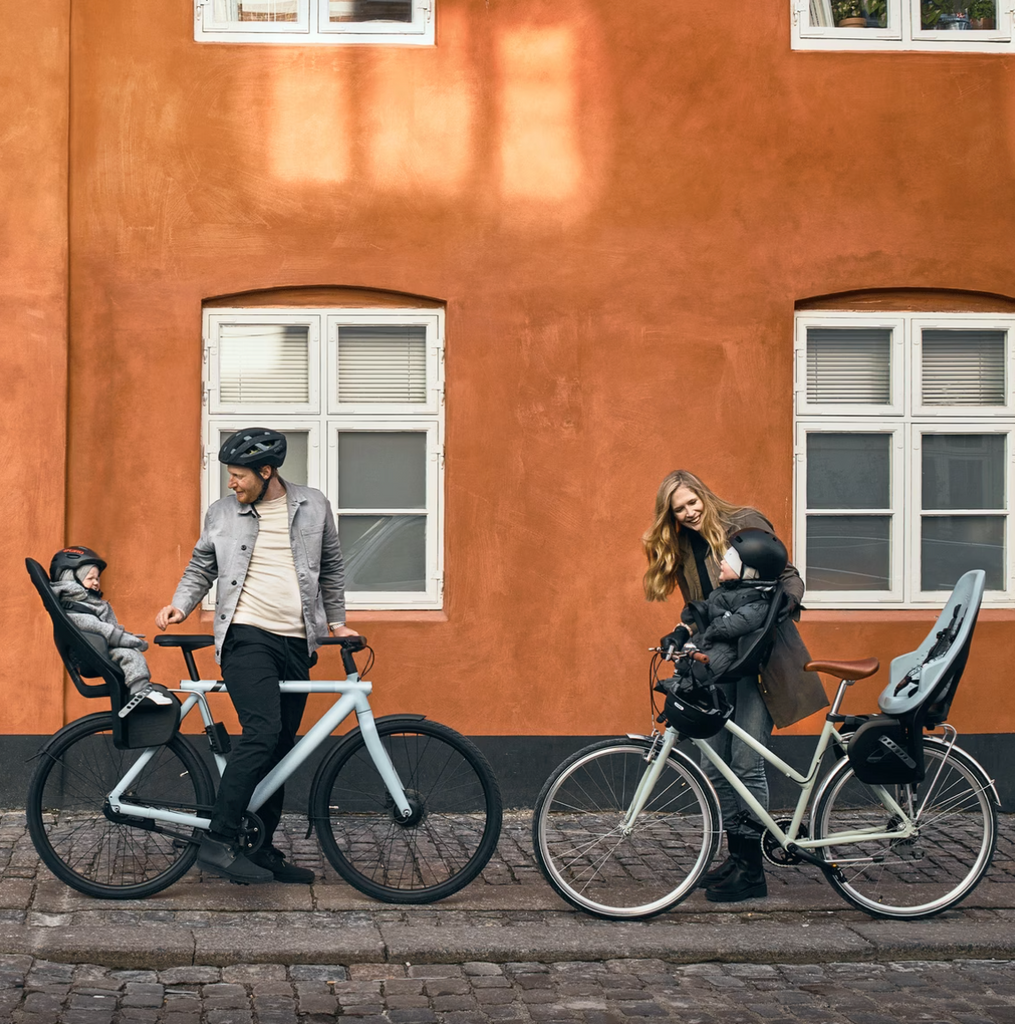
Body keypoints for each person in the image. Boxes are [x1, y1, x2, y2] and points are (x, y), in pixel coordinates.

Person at [156, 427, 359, 886]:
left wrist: (338, 622)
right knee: (262, 732)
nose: (232, 483)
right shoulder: (222, 513)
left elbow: (331, 566)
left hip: (297, 641)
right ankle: (219, 839)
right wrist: (180, 604)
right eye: (230, 475)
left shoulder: (313, 505)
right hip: (247, 636)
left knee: (280, 748)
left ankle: (259, 846)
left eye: (239, 476)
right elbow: (201, 566)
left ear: (267, 473)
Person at [644, 470, 827, 904]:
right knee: (715, 767)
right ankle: (739, 855)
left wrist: (772, 612)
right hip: (723, 666)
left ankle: (753, 870)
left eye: (692, 502)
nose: (689, 512)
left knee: (745, 763)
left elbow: (787, 576)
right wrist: (681, 633)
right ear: (670, 515)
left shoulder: (744, 525)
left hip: (760, 662)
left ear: (704, 495)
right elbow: (704, 609)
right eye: (678, 509)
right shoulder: (687, 548)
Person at [50, 546, 174, 707]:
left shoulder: (87, 603)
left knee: (130, 654)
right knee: (130, 655)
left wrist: (126, 635)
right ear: (71, 580)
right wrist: (126, 639)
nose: (96, 582)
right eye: (90, 578)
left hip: (97, 649)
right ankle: (140, 692)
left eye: (97, 578)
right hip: (92, 654)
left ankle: (140, 691)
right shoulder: (74, 610)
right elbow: (98, 628)